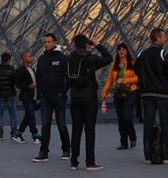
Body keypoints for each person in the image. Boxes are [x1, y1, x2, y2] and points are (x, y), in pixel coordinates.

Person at [67, 34, 112, 170]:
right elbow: (108, 58)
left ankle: (73, 162)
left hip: (75, 97)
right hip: (89, 97)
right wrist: (97, 45)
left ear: (75, 44)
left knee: (76, 131)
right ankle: (90, 162)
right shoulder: (90, 59)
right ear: (87, 44)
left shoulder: (69, 59)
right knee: (90, 131)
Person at [134, 27, 168, 165]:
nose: (166, 38)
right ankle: (165, 156)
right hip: (163, 94)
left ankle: (148, 157)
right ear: (158, 39)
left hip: (146, 94)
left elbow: (137, 70)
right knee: (165, 126)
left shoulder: (142, 54)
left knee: (148, 125)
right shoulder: (165, 54)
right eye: (164, 36)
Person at [33, 33, 70, 162]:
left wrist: (62, 92)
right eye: (45, 42)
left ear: (55, 43)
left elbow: (68, 77)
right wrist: (41, 93)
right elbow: (38, 76)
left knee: (61, 125)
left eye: (49, 42)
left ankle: (66, 149)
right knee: (44, 126)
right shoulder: (41, 59)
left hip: (58, 96)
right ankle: (43, 151)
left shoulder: (62, 58)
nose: (46, 44)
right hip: (45, 97)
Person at [102, 43, 138, 149]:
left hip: (130, 92)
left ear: (127, 51)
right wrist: (104, 92)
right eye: (119, 50)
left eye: (123, 50)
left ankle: (132, 137)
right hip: (117, 93)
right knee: (120, 119)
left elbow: (137, 78)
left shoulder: (132, 63)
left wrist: (125, 80)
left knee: (126, 115)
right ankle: (123, 142)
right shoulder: (114, 65)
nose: (121, 52)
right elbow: (109, 79)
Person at [14, 51, 40, 143]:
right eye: (29, 56)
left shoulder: (32, 69)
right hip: (26, 97)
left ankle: (18, 133)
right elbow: (18, 84)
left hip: (33, 96)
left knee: (28, 116)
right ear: (24, 58)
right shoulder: (20, 70)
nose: (31, 58)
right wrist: (29, 86)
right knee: (31, 116)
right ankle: (35, 135)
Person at [0, 53, 18, 141]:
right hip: (10, 94)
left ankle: (0, 134)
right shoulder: (12, 70)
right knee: (13, 114)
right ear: (8, 60)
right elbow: (15, 82)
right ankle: (13, 133)